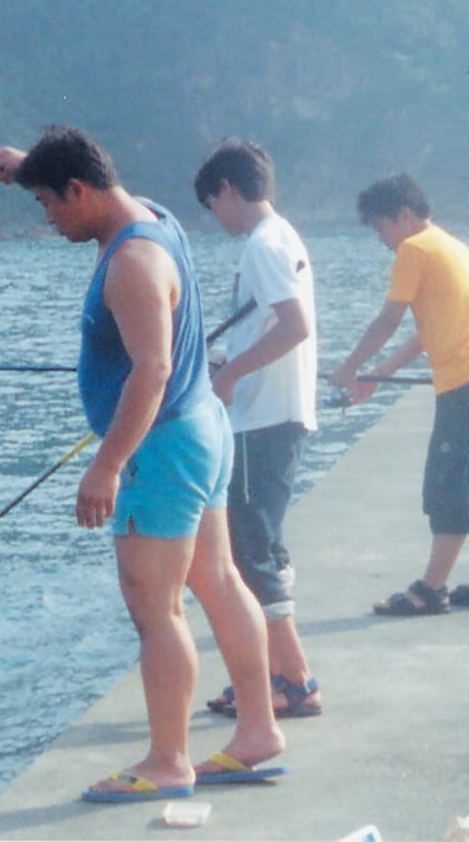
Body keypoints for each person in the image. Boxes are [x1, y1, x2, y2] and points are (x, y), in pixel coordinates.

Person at [0, 128, 285, 803]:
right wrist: (24, 166)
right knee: (218, 576)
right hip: (202, 424)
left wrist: (106, 466)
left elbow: (150, 370)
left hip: (162, 445)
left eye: (48, 203)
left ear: (80, 191)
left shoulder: (131, 263)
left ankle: (168, 760)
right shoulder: (153, 213)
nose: (48, 217)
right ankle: (258, 733)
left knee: (156, 607)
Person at [329, 173, 469, 616]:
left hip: (468, 382)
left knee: (452, 483)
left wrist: (350, 366)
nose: (383, 240)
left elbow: (390, 319)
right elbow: (426, 332)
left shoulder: (414, 249)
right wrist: (378, 373)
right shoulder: (454, 247)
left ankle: (430, 590)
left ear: (405, 216)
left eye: (381, 228)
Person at [193, 140, 321, 718]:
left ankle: (294, 682)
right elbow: (273, 326)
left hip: (261, 420)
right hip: (274, 415)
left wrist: (231, 374)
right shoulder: (281, 237)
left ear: (227, 190)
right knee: (262, 545)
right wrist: (228, 361)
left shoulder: (263, 245)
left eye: (211, 204)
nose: (214, 217)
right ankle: (272, 676)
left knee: (249, 554)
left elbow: (294, 325)